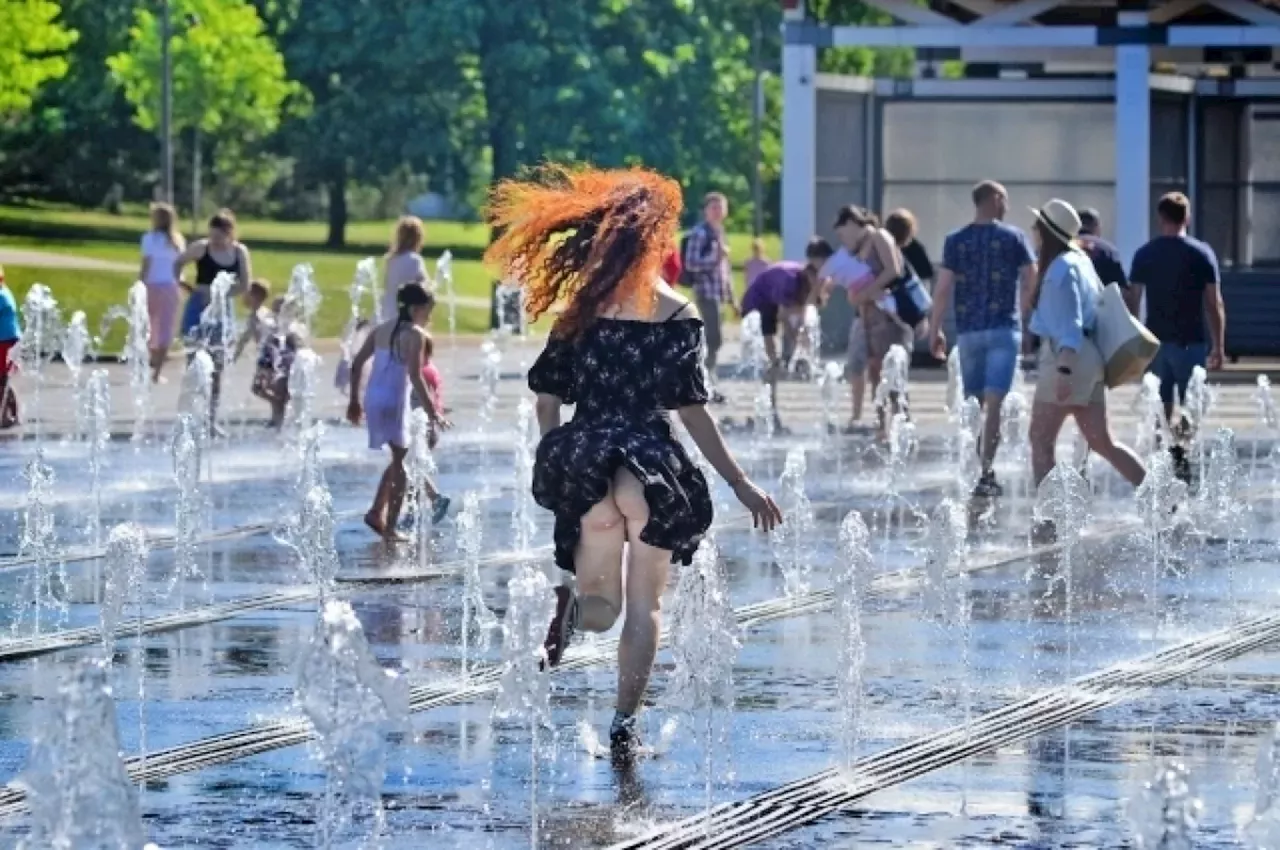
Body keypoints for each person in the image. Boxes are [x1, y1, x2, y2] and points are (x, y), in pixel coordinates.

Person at [485, 165, 782, 762]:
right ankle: (624, 724)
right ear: (657, 239)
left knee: (600, 615)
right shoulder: (677, 312)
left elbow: (547, 397)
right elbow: (693, 411)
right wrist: (741, 483)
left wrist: (556, 453)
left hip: (590, 464)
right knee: (643, 610)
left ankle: (570, 602)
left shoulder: (583, 308)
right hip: (651, 474)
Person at [1026, 199, 1145, 540]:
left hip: (1067, 359)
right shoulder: (1080, 260)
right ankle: (1158, 496)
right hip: (1089, 360)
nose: (1032, 231)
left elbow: (1070, 325)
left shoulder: (1059, 270)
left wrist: (1063, 373)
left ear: (1047, 232)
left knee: (1040, 439)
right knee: (1104, 443)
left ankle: (1049, 519)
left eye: (1037, 226)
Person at [928, 181, 1037, 497]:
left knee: (973, 404)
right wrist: (1029, 321)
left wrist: (936, 328)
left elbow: (943, 288)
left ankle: (975, 467)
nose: (1007, 206)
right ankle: (986, 471)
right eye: (1005, 199)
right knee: (995, 404)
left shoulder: (955, 241)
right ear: (995, 199)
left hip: (969, 332)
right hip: (1004, 329)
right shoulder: (1014, 237)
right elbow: (1032, 278)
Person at [347, 283, 452, 539]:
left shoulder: (381, 329)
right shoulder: (415, 334)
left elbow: (357, 363)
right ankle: (390, 528)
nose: (429, 316)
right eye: (428, 310)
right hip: (395, 400)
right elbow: (416, 376)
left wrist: (354, 401)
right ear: (416, 308)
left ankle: (378, 513)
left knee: (399, 459)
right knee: (402, 462)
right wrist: (433, 412)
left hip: (374, 398)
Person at [1128, 192, 1225, 427]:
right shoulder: (1202, 253)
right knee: (1192, 411)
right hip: (1191, 342)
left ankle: (1161, 456)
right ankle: (1182, 454)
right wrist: (1219, 346)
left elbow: (1132, 299)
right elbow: (1214, 303)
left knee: (1159, 410)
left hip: (1155, 342)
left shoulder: (1145, 254)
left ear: (1160, 218)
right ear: (1187, 218)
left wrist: (1133, 343)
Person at [834, 205, 914, 437]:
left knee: (893, 372)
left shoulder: (880, 236)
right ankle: (882, 427)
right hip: (869, 317)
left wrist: (868, 292)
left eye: (841, 233)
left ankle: (902, 425)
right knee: (876, 373)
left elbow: (893, 270)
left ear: (851, 223)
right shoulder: (859, 249)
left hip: (889, 318)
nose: (842, 239)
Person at [740, 237, 834, 432]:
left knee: (775, 363)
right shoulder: (790, 281)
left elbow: (804, 312)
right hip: (758, 304)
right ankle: (768, 412)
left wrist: (802, 340)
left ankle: (769, 410)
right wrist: (797, 341)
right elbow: (783, 316)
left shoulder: (811, 280)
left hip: (772, 303)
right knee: (772, 362)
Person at [174, 209, 252, 431]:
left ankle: (210, 419)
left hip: (222, 310)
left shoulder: (239, 252)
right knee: (194, 366)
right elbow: (178, 262)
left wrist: (222, 294)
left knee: (217, 369)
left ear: (230, 234)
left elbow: (245, 284)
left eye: (219, 237)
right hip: (198, 306)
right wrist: (183, 284)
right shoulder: (201, 248)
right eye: (213, 236)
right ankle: (190, 418)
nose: (215, 241)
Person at [683, 192, 738, 402]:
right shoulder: (700, 233)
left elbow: (725, 270)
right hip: (705, 293)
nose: (717, 211)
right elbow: (691, 263)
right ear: (705, 211)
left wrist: (732, 299)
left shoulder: (720, 233)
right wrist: (714, 259)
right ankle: (704, 384)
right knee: (713, 339)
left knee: (712, 340)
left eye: (720, 207)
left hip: (718, 294)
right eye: (713, 207)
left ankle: (707, 383)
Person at [138, 202, 185, 383]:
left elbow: (146, 265)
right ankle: (157, 371)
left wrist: (140, 283)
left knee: (148, 325)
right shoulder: (177, 240)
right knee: (166, 326)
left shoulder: (149, 239)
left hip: (151, 284)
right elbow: (179, 266)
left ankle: (150, 359)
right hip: (171, 286)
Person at [1076, 208, 1134, 314]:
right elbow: (1123, 291)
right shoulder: (1108, 250)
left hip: (1071, 314)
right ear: (1096, 226)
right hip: (1101, 315)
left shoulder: (1064, 247)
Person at [383, 216, 429, 321]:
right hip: (405, 314)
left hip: (386, 311)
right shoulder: (415, 260)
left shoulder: (391, 259)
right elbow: (425, 287)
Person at [0, 265, 19, 429]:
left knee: (1, 380)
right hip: (7, 340)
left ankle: (6, 417)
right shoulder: (5, 292)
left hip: (4, 342)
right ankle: (12, 414)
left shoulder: (1, 295)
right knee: (3, 380)